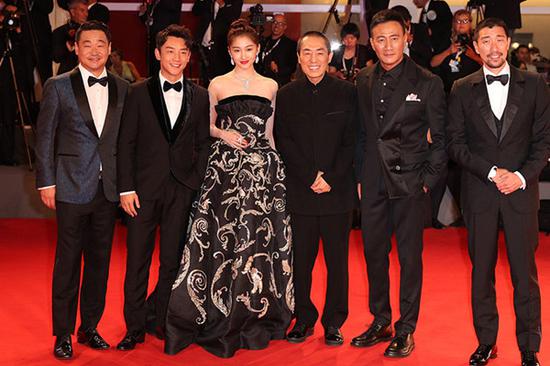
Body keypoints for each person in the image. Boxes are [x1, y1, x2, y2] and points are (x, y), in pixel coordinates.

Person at [164, 19, 293, 358]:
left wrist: (276, 167)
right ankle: (218, 308)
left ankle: (255, 311)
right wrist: (225, 134)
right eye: (237, 50)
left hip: (262, 169)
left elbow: (271, 131)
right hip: (225, 168)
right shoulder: (217, 84)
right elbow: (206, 125)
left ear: (258, 49)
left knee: (258, 238)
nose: (243, 56)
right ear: (229, 51)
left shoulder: (271, 85)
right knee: (223, 237)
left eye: (249, 49)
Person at [447, 17, 549, 366]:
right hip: (480, 192)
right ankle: (486, 342)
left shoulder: (535, 85)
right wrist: (491, 172)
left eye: (499, 40)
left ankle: (529, 346)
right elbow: (456, 144)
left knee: (525, 275)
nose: (493, 47)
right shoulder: (461, 88)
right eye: (485, 41)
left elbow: (544, 142)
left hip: (521, 192)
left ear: (509, 43)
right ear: (476, 47)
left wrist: (519, 176)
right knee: (482, 274)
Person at [352, 9, 446, 358]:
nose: (388, 45)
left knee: (409, 259)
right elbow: (361, 134)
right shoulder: (362, 79)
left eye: (394, 37)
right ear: (372, 43)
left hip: (411, 182)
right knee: (374, 254)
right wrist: (359, 176)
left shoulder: (428, 81)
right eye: (380, 39)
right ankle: (381, 320)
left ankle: (406, 329)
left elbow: (441, 138)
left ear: (407, 36)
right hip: (372, 181)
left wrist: (428, 181)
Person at [34, 20, 128, 360]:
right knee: (68, 263)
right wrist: (47, 181)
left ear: (109, 47)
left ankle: (90, 327)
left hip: (107, 190)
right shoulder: (58, 86)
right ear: (75, 47)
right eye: (87, 44)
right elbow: (44, 137)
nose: (94, 50)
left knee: (100, 263)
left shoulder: (122, 87)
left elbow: (123, 141)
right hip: (71, 185)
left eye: (100, 43)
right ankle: (63, 334)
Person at [115, 24, 210, 351]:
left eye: (184, 52)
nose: (178, 58)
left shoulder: (200, 95)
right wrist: (125, 188)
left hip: (181, 190)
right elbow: (125, 143)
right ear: (157, 54)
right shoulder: (137, 92)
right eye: (170, 51)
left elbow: (203, 144)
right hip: (142, 191)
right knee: (137, 260)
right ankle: (134, 327)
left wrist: (194, 182)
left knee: (172, 261)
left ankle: (161, 319)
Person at [276, 31, 357, 346]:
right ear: (298, 57)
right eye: (306, 53)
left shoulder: (347, 93)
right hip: (301, 191)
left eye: (319, 52)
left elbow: (352, 140)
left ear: (329, 56)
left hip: (337, 193)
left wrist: (331, 177)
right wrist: (310, 176)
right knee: (302, 262)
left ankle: (334, 323)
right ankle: (304, 319)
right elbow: (285, 141)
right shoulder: (286, 94)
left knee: (338, 264)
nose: (313, 59)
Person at [192, 0, 243, 85]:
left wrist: (223, 5)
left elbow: (234, 17)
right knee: (206, 81)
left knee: (222, 80)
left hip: (221, 47)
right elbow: (195, 11)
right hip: (204, 46)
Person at [139, 0, 182, 77]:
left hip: (167, 38)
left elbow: (172, 7)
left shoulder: (169, 2)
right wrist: (142, 13)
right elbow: (149, 19)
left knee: (163, 65)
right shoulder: (155, 2)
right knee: (153, 66)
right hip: (153, 39)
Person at [257, 13, 297, 87]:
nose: (276, 26)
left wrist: (278, 69)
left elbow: (292, 67)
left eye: (280, 23)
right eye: (274, 22)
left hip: (280, 84)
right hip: (261, 82)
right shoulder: (263, 42)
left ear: (285, 27)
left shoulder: (291, 44)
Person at [52, 0, 88, 75]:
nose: (86, 14)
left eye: (86, 11)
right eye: (82, 11)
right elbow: (56, 57)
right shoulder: (61, 32)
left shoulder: (92, 31)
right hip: (67, 75)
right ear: (72, 12)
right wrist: (68, 46)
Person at [391, 5, 432, 69]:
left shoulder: (421, 29)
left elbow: (427, 54)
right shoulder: (390, 33)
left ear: (408, 21)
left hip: (418, 70)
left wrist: (411, 40)